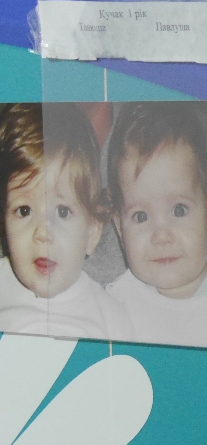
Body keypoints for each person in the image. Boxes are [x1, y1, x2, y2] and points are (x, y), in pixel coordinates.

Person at [105, 103, 207, 349]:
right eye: (140, 216)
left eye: (179, 210)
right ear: (119, 229)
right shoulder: (114, 305)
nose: (161, 236)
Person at [0, 103, 132, 340]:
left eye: (62, 212)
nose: (43, 233)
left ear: (92, 231)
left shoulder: (111, 318)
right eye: (24, 210)